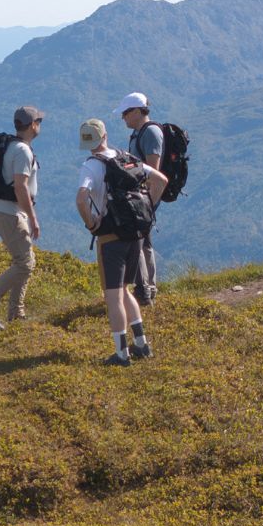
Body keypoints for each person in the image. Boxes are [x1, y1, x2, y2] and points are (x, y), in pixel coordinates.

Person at [76, 118, 166, 366]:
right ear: (104, 135)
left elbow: (81, 198)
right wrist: (149, 208)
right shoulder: (126, 157)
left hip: (110, 239)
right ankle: (141, 344)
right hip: (135, 235)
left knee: (113, 296)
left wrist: (91, 223)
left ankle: (121, 354)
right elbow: (161, 180)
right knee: (126, 291)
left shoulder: (91, 166)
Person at [0, 106, 43, 331]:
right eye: (39, 121)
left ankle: (16, 312)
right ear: (32, 125)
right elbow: (21, 187)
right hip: (10, 212)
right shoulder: (22, 150)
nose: (40, 125)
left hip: (6, 211)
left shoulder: (12, 146)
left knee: (24, 261)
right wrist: (33, 218)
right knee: (24, 263)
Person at [117, 92, 163, 304]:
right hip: (140, 197)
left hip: (145, 197)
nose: (123, 117)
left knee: (140, 241)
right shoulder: (138, 133)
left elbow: (154, 171)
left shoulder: (150, 133)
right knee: (143, 241)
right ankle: (146, 287)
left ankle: (147, 289)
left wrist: (149, 203)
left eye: (126, 113)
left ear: (137, 111)